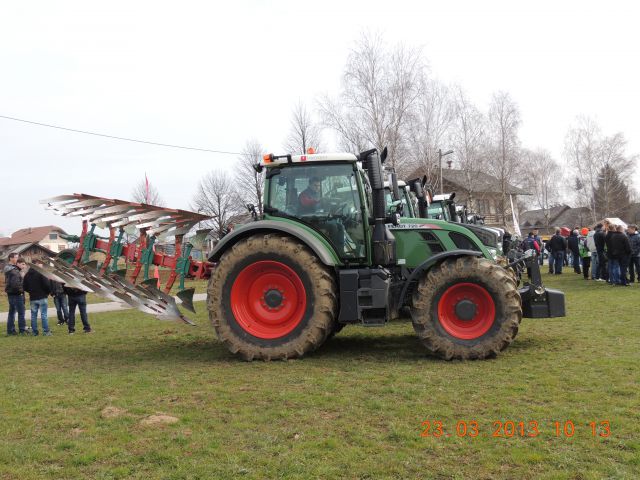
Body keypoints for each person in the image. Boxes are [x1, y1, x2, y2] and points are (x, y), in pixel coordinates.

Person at [22, 258, 52, 336]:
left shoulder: (27, 275)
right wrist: (47, 293)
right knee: (44, 315)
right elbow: (47, 285)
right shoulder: (41, 273)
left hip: (33, 297)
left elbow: (24, 287)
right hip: (42, 296)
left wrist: (31, 291)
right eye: (39, 264)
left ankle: (35, 332)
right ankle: (46, 332)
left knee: (33, 316)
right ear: (37, 264)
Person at [4, 253, 27, 335]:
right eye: (16, 257)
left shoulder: (8, 268)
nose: (18, 258)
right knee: (21, 312)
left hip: (10, 294)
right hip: (16, 294)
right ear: (11, 258)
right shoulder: (14, 270)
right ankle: (22, 330)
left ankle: (10, 330)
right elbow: (15, 284)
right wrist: (21, 291)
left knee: (12, 312)